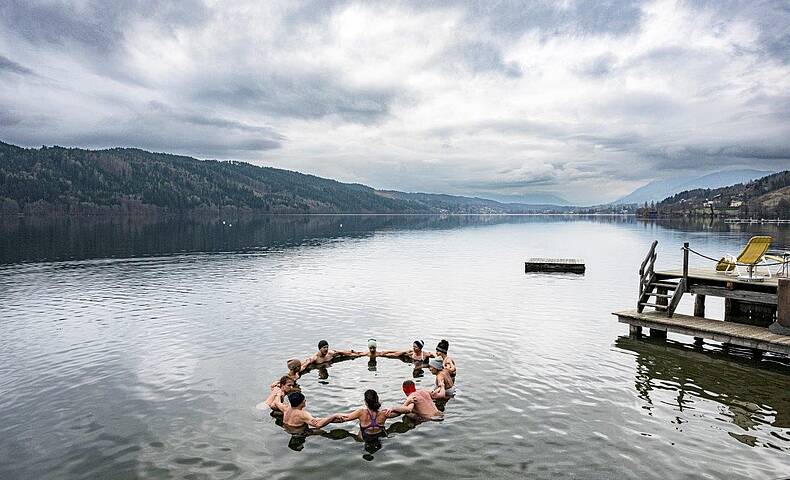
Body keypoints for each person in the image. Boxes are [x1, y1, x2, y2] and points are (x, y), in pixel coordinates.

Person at [274, 392, 341, 430]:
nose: (305, 401)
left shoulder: (285, 408)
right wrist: (333, 416)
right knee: (321, 432)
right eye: (304, 400)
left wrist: (278, 394)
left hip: (287, 429)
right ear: (301, 403)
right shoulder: (303, 414)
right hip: (299, 432)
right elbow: (318, 425)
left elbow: (277, 403)